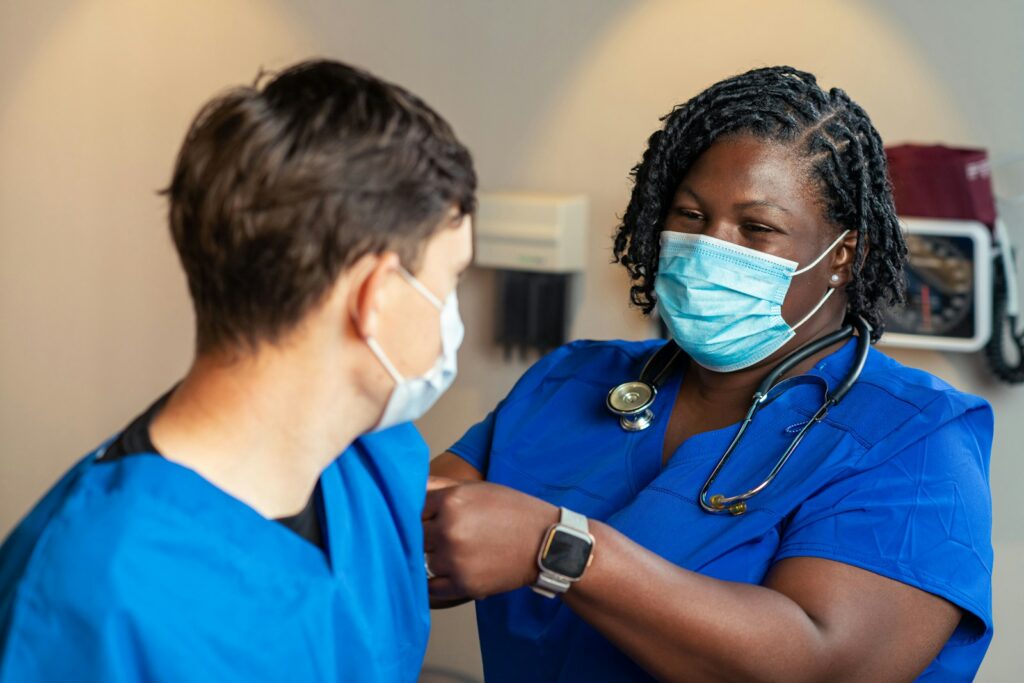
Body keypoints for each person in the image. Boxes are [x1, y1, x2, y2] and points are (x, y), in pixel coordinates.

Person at [426, 66, 993, 682]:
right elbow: (411, 537)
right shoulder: (574, 381)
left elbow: (821, 664)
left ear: (842, 256)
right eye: (691, 217)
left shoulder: (913, 439)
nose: (710, 248)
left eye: (758, 229)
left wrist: (560, 547)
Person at [0, 59, 475, 682]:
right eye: (452, 279)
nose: (450, 312)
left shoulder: (376, 464)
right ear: (376, 296)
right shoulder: (90, 595)